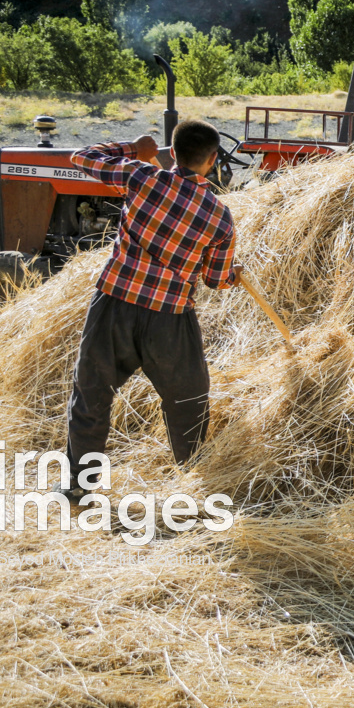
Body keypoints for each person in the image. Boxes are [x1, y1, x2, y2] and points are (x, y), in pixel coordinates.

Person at [57, 120, 241, 500]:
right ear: (211, 160)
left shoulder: (142, 176)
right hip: (170, 319)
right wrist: (232, 275)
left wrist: (134, 147)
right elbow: (215, 280)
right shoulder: (220, 216)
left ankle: (79, 487)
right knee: (188, 401)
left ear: (172, 154)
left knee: (91, 395)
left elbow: (80, 156)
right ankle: (193, 482)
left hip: (113, 305)